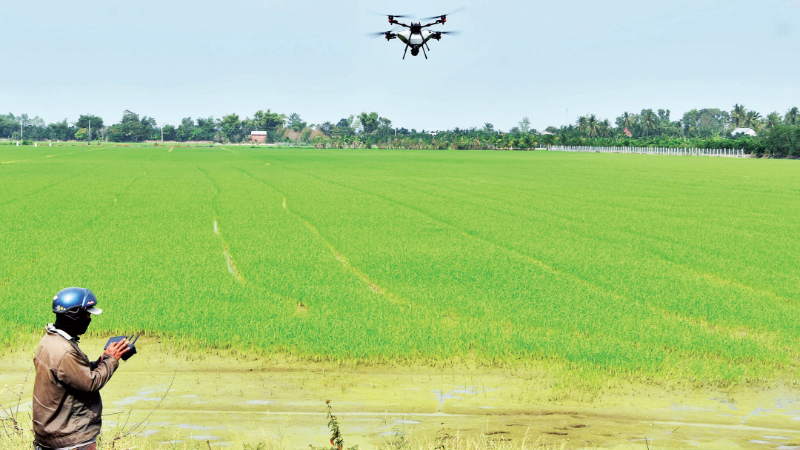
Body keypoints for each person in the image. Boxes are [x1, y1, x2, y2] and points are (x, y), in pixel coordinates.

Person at [32, 287, 129, 450]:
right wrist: (112, 359)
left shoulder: (49, 340)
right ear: (74, 314)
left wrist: (101, 360)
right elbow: (91, 382)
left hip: (49, 434)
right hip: (70, 438)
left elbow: (71, 373)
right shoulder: (65, 351)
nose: (89, 318)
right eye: (87, 314)